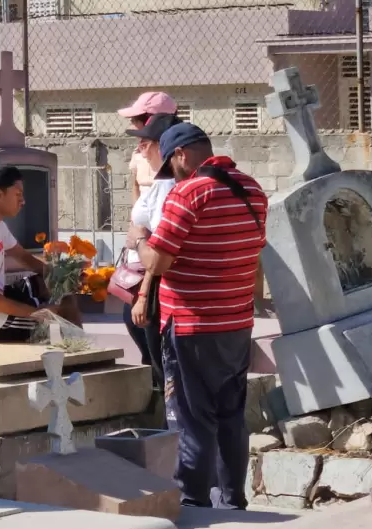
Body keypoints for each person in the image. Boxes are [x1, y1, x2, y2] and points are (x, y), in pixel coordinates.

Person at [127, 123, 268, 510]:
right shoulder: (252, 190)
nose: (172, 175)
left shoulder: (189, 192)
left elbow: (159, 260)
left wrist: (137, 237)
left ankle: (193, 502)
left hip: (191, 326)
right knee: (231, 416)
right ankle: (233, 500)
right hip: (236, 325)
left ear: (181, 155)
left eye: (171, 166)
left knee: (193, 418)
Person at [0, 164, 80, 343]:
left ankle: (80, 349)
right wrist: (37, 313)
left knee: (60, 289)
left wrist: (63, 277)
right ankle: (80, 353)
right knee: (58, 312)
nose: (23, 200)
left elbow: (24, 257)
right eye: (18, 194)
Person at [117, 92, 178, 365]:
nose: (139, 146)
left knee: (147, 323)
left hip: (154, 262)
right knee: (135, 322)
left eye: (139, 120)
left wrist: (143, 295)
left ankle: (158, 378)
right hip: (143, 251)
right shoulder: (146, 159)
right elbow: (137, 190)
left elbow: (161, 249)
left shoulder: (169, 184)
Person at [118, 92, 178, 203]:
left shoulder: (177, 153)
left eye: (135, 120)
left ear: (151, 121)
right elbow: (136, 185)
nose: (132, 125)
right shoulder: (138, 153)